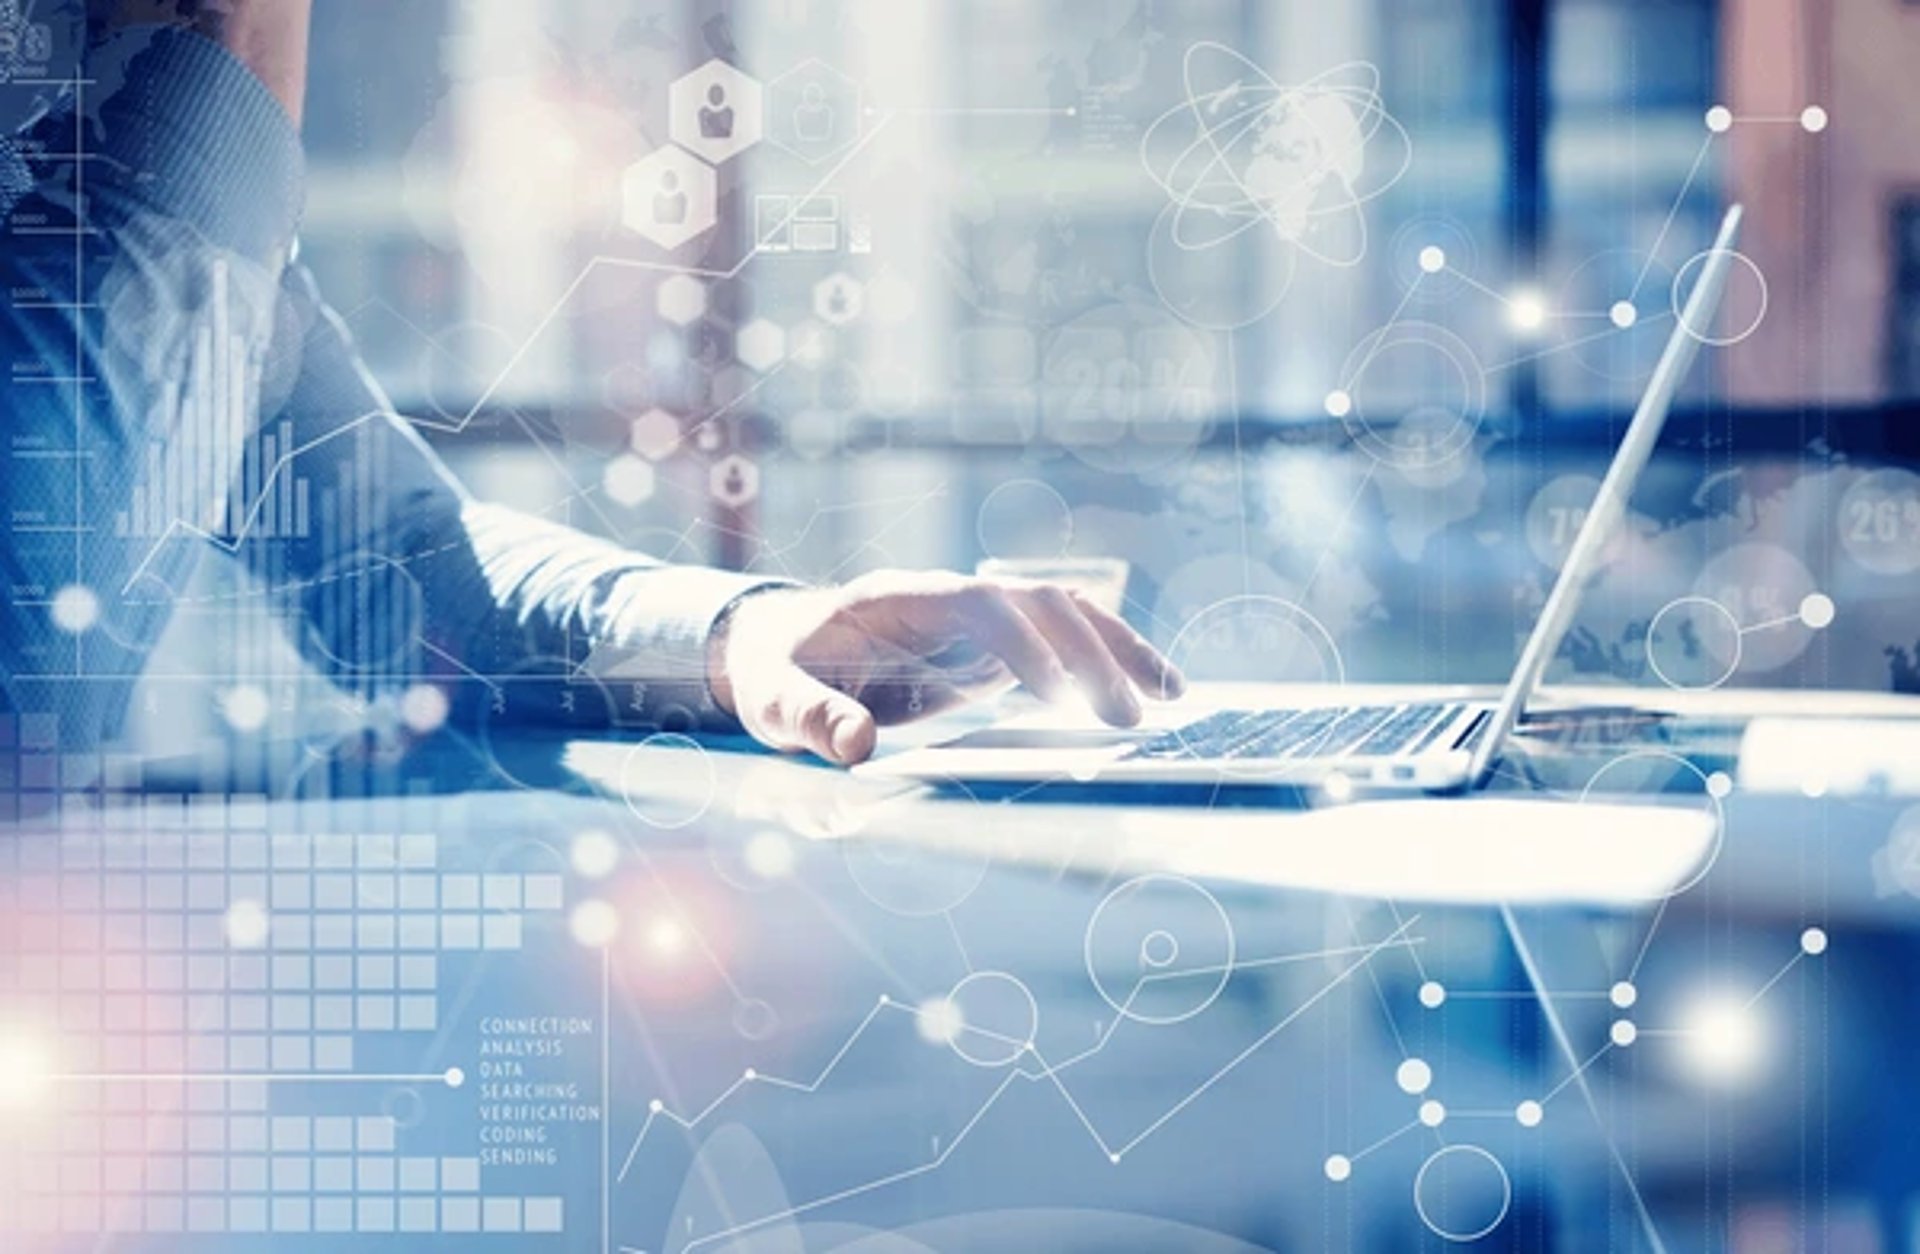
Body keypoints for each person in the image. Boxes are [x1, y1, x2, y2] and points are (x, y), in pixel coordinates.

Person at [0, 2, 1183, 769]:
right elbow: (30, 700)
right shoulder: (151, 188)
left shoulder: (105, 181)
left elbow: (399, 565)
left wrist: (743, 634)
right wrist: (232, 48)